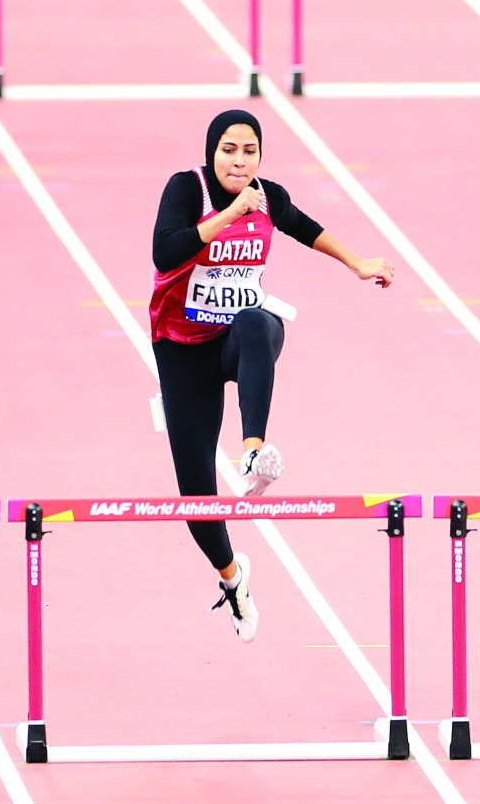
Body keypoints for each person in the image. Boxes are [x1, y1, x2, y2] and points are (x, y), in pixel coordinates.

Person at [149, 109, 393, 643]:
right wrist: (231, 211)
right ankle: (233, 579)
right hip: (183, 351)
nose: (240, 160)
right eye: (230, 150)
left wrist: (356, 262)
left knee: (258, 320)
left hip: (236, 341)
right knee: (196, 502)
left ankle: (254, 449)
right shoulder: (187, 189)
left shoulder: (268, 195)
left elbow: (305, 227)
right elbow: (165, 251)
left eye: (250, 151)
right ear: (213, 153)